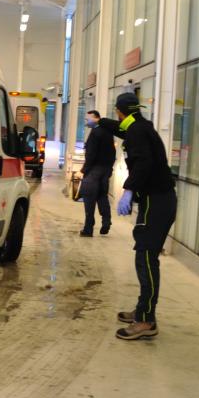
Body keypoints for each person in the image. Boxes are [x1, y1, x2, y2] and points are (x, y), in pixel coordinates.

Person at [97, 92, 176, 340]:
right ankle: (143, 310)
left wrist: (128, 189)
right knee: (145, 256)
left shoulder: (138, 132)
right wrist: (99, 121)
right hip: (157, 200)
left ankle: (146, 321)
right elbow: (121, 130)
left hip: (156, 201)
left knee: (145, 257)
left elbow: (143, 163)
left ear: (120, 111)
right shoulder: (139, 126)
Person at [79, 110, 116, 237]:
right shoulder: (108, 133)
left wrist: (84, 170)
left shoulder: (95, 133)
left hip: (94, 171)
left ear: (96, 118)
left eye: (87, 119)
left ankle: (88, 229)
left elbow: (91, 155)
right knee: (102, 196)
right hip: (105, 170)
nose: (86, 121)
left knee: (89, 199)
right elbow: (112, 153)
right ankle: (106, 221)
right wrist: (109, 169)